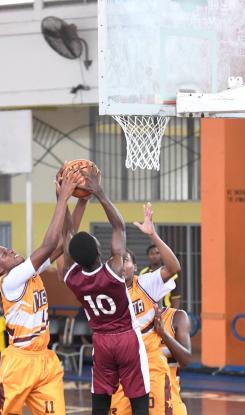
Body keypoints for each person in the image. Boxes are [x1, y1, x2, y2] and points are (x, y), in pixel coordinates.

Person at [0, 171, 82, 415]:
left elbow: (62, 244)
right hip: (20, 362)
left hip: (45, 360)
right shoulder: (10, 280)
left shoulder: (29, 272)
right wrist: (61, 200)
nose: (12, 251)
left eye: (8, 249)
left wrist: (75, 202)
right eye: (5, 254)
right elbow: (47, 245)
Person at [62, 169, 150, 415]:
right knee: (138, 398)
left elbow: (67, 236)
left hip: (100, 340)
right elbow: (119, 226)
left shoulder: (72, 278)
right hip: (126, 338)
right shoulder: (113, 270)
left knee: (100, 398)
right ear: (99, 249)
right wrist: (98, 192)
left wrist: (66, 198)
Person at [110, 204, 181, 415]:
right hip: (120, 361)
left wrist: (153, 235)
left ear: (134, 265)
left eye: (127, 260)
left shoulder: (146, 283)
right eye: (117, 261)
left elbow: (174, 268)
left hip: (149, 357)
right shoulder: (106, 292)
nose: (122, 265)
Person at [155, 305, 192, 415]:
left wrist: (163, 333)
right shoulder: (127, 318)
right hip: (132, 397)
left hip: (168, 399)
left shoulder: (177, 317)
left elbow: (185, 360)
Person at [140, 244, 181, 309]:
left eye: (157, 253)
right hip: (149, 311)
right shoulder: (143, 273)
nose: (154, 256)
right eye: (151, 253)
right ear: (148, 256)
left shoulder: (171, 274)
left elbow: (175, 297)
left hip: (166, 311)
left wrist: (174, 313)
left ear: (162, 255)